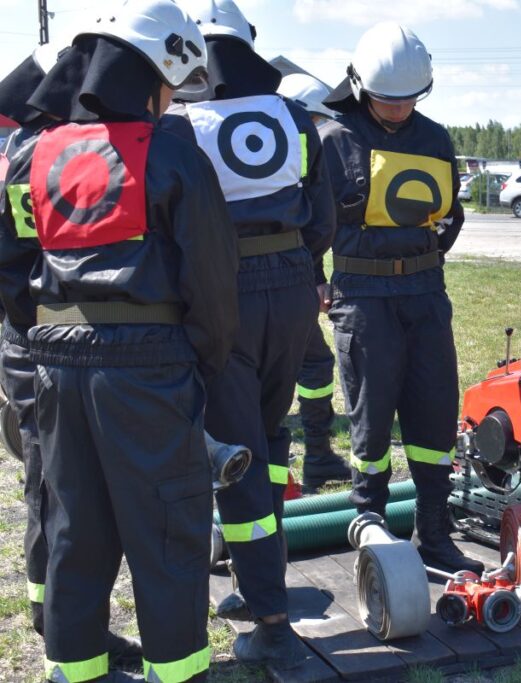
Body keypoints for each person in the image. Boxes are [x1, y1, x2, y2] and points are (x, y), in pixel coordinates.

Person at [0, 1, 240, 680]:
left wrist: (45, 333)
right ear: (154, 72)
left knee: (75, 530)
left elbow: (10, 266)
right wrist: (201, 357)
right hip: (150, 367)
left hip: (54, 362)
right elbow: (213, 277)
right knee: (167, 534)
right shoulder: (170, 152)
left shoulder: (30, 152)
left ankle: (74, 670)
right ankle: (178, 670)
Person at [167, 0, 335, 663]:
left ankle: (270, 617)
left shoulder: (182, 128)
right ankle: (254, 580)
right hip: (293, 287)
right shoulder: (295, 118)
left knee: (234, 453)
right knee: (266, 435)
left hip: (223, 291)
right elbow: (323, 219)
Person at [0, 42, 146, 671]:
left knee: (61, 489)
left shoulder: (40, 151)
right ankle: (53, 616)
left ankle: (59, 618)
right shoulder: (36, 156)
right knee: (56, 487)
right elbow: (19, 259)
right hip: (42, 339)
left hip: (48, 337)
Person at [319, 21, 482, 575]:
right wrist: (317, 280)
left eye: (409, 98)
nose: (398, 109)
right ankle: (371, 523)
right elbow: (309, 220)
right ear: (361, 86)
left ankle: (434, 532)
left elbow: (451, 213)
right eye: (388, 100)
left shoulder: (435, 138)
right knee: (371, 416)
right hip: (362, 295)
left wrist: (429, 251)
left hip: (425, 291)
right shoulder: (333, 136)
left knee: (435, 410)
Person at [277, 71, 351, 493]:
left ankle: (319, 456)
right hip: (275, 280)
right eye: (321, 124)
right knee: (296, 366)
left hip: (287, 276)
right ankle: (313, 457)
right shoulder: (292, 156)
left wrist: (316, 277)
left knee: (314, 363)